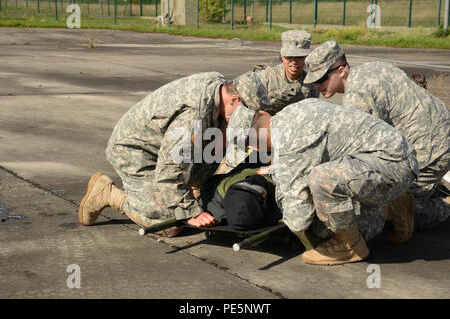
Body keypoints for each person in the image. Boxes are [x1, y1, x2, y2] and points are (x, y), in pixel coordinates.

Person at [78, 71, 269, 237]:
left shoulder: (221, 88)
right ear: (233, 99)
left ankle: (189, 189)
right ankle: (108, 194)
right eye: (244, 111)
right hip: (134, 152)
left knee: (220, 134)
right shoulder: (193, 116)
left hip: (162, 148)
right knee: (171, 222)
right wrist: (188, 211)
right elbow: (168, 172)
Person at [303, 40, 450, 237]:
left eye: (321, 79)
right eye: (314, 80)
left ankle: (446, 206)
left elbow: (360, 152)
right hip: (439, 130)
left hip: (430, 149)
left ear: (341, 71)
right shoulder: (372, 68)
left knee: (402, 210)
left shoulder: (358, 95)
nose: (316, 85)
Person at [249, 98, 418, 265]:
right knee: (333, 203)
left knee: (323, 193)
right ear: (264, 113)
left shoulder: (287, 144)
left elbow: (299, 220)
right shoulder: (294, 111)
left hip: (392, 166)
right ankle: (393, 205)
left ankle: (350, 246)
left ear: (256, 147)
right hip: (395, 156)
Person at [233, 30, 319, 116]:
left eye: (299, 57)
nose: (294, 62)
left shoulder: (312, 85)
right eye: (289, 57)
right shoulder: (266, 78)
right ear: (282, 56)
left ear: (307, 57)